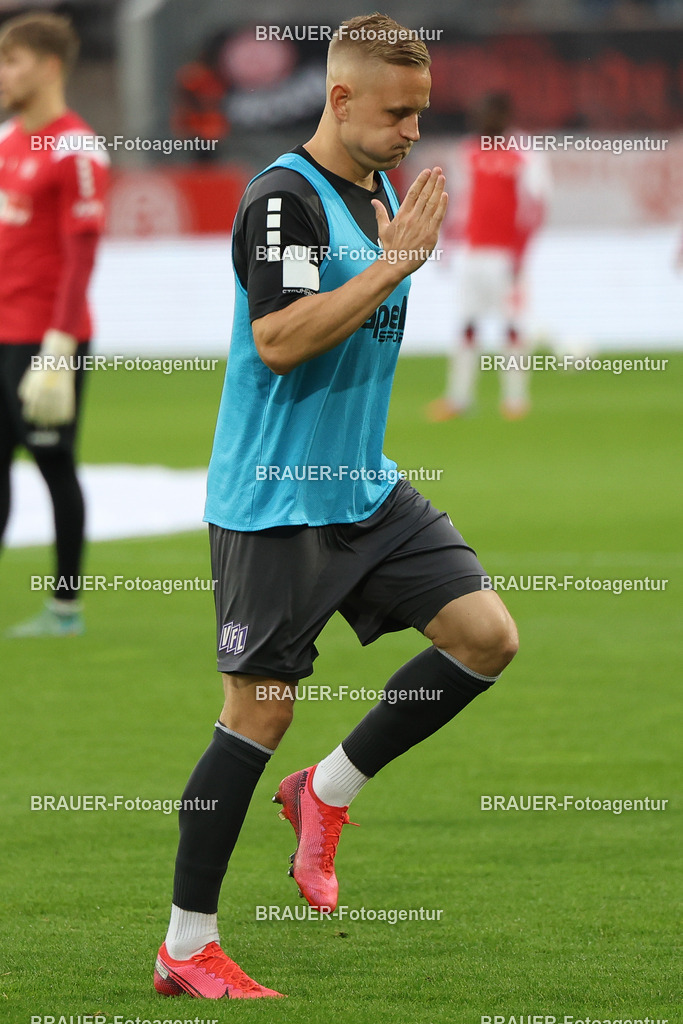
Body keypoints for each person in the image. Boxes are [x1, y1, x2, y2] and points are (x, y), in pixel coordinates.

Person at [154, 13, 518, 1000]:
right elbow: (278, 339)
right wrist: (396, 263)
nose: (412, 132)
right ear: (339, 97)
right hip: (276, 505)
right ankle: (186, 945)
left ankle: (324, 792)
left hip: (364, 489)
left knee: (485, 637)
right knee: (256, 712)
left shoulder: (379, 187)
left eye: (422, 114)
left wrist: (394, 251)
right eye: (396, 114)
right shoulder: (284, 200)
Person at [0, 11, 108, 636]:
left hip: (46, 339)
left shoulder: (77, 148)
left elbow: (80, 258)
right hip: (1, 333)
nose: (3, 75)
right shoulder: (8, 140)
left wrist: (58, 349)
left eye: (12, 61)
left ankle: (65, 608)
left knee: (53, 464)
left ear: (48, 67)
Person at [427, 92, 549, 422]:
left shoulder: (523, 154)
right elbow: (460, 203)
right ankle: (458, 398)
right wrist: (448, 245)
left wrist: (520, 253)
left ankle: (515, 399)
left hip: (506, 255)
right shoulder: (468, 151)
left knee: (511, 325)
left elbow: (536, 207)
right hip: (473, 253)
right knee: (467, 323)